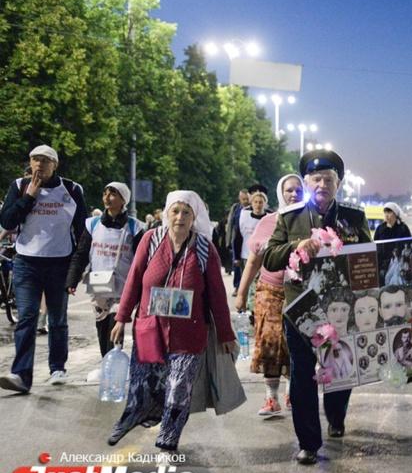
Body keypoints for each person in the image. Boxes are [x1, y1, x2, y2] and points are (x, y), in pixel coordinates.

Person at [261, 149, 371, 465]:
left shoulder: (354, 217)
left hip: (340, 308)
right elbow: (269, 258)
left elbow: (368, 259)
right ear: (307, 182)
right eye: (316, 179)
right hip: (300, 310)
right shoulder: (289, 216)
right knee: (301, 375)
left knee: (339, 370)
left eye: (329, 179)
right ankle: (308, 442)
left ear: (339, 183)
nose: (322, 184)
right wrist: (296, 246)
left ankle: (336, 417)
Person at [106, 190, 236, 453]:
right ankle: (131, 417)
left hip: (189, 334)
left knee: (179, 389)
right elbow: (133, 280)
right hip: (149, 328)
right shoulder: (150, 240)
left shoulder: (204, 248)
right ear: (166, 214)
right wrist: (121, 318)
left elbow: (217, 295)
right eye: (175, 211)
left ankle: (168, 438)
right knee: (144, 386)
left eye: (186, 212)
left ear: (193, 217)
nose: (180, 217)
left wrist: (226, 333)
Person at [0, 145, 88, 393]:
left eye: (45, 160)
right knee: (27, 317)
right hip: (27, 262)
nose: (39, 164)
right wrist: (29, 197)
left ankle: (57, 368)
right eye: (34, 159)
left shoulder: (71, 190)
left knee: (57, 318)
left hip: (60, 262)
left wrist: (78, 268)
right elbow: (7, 220)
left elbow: (82, 233)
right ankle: (21, 376)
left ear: (55, 164)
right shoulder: (19, 186)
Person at [236, 174, 304, 417]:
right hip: (269, 290)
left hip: (300, 293)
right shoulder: (268, 222)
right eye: (288, 190)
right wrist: (242, 293)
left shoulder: (308, 222)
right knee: (270, 342)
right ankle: (270, 399)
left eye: (298, 190)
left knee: (294, 345)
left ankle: (291, 394)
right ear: (280, 193)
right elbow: (254, 260)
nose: (293, 194)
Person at [65, 182, 144, 380]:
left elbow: (143, 259)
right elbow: (81, 253)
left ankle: (114, 364)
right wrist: (72, 280)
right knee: (102, 326)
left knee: (116, 324)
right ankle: (107, 362)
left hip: (123, 287)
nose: (108, 198)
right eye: (106, 193)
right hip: (99, 284)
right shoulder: (92, 224)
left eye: (114, 194)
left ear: (123, 200)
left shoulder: (135, 228)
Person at [234, 190, 268, 305]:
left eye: (260, 202)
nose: (258, 204)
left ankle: (256, 306)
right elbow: (237, 237)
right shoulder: (243, 216)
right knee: (247, 282)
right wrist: (236, 256)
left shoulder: (269, 218)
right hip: (246, 256)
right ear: (251, 203)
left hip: (263, 257)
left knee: (259, 284)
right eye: (256, 202)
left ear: (265, 203)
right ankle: (245, 305)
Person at [226, 189, 250, 296]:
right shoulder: (236, 208)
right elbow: (230, 224)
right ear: (239, 198)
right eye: (243, 199)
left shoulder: (252, 208)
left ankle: (246, 288)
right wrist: (228, 241)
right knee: (236, 265)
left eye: (246, 199)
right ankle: (237, 287)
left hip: (247, 242)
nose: (245, 201)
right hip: (236, 240)